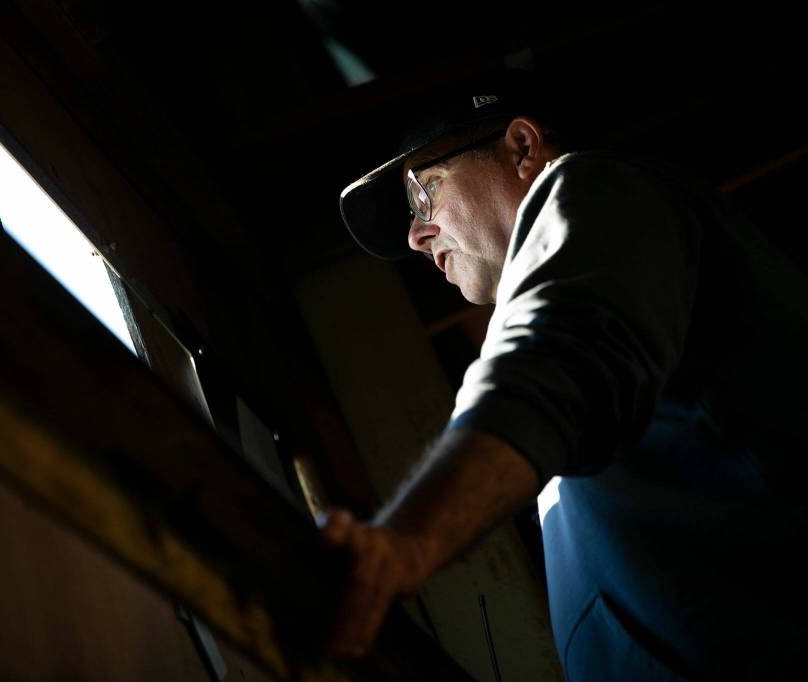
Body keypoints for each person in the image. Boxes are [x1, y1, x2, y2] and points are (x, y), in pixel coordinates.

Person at [322, 70, 808, 680]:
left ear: (524, 148)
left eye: (425, 192)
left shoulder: (590, 188)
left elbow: (559, 353)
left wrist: (404, 544)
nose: (417, 236)